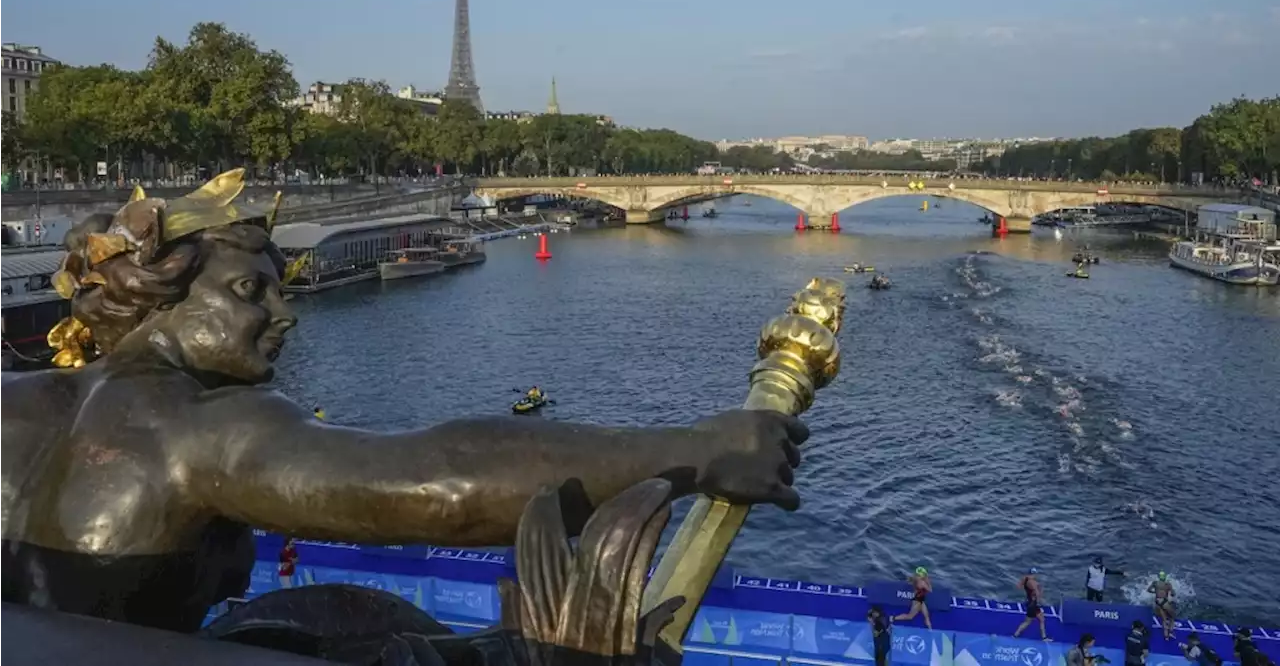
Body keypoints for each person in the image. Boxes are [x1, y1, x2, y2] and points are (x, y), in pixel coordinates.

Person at [0, 174, 809, 634]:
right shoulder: (196, 426)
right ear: (161, 299)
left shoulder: (22, 401)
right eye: (252, 291)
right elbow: (440, 483)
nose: (283, 315)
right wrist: (700, 450)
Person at [1013, 567, 1050, 641]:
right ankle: (1015, 635)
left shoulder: (1025, 579)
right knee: (1028, 622)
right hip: (1033, 604)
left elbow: (1018, 586)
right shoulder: (1034, 583)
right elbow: (1037, 593)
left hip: (1029, 602)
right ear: (1035, 574)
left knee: (1041, 619)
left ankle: (1044, 637)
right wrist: (1039, 600)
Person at [1148, 572, 1176, 639]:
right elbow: (1173, 594)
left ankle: (1166, 636)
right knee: (1172, 617)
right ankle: (1171, 632)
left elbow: (1148, 590)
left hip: (1157, 602)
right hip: (1164, 602)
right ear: (1165, 577)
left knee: (1164, 619)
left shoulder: (1155, 583)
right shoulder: (1168, 584)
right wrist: (1171, 592)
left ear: (1159, 577)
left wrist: (1155, 592)